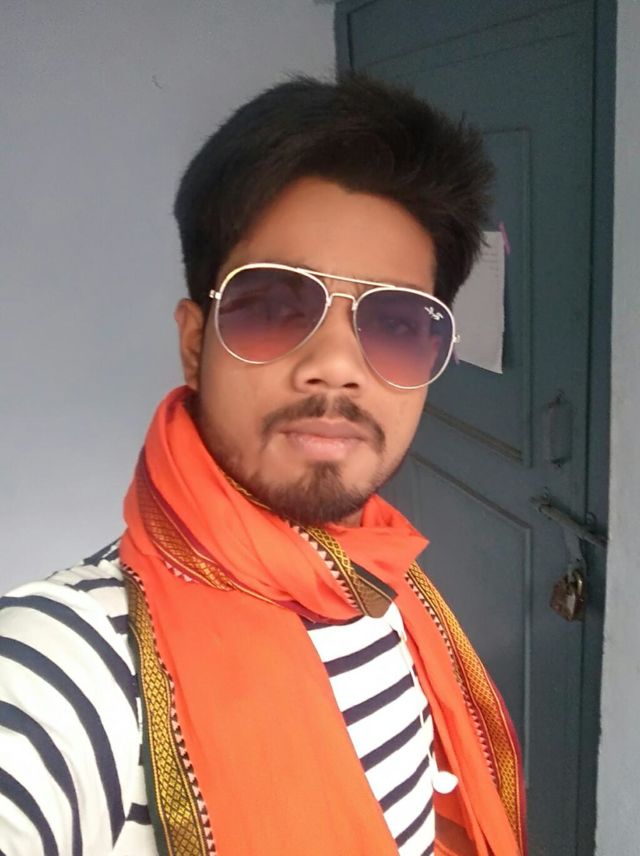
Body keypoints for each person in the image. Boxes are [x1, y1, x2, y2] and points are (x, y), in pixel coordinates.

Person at [0, 75, 526, 856]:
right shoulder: (64, 670)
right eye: (274, 307)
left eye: (395, 322)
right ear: (195, 344)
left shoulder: (387, 586)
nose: (336, 367)